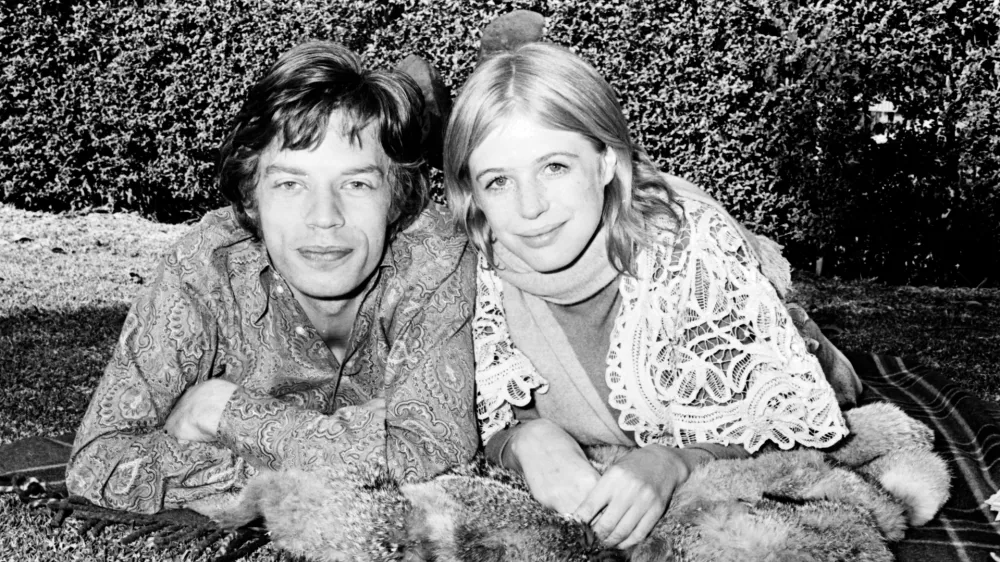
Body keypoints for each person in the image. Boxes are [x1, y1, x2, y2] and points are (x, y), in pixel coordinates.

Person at [443, 42, 849, 549]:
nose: (531, 208)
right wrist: (523, 440)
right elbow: (468, 423)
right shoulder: (466, 271)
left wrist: (673, 460)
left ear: (607, 161)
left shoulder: (689, 247)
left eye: (554, 167)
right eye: (499, 180)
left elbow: (780, 415)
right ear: (472, 196)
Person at [66, 41, 479, 516]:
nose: (324, 218)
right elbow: (98, 464)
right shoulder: (206, 267)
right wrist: (346, 443)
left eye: (357, 184)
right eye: (289, 184)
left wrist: (218, 411)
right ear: (251, 194)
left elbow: (433, 456)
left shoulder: (438, 262)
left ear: (397, 196)